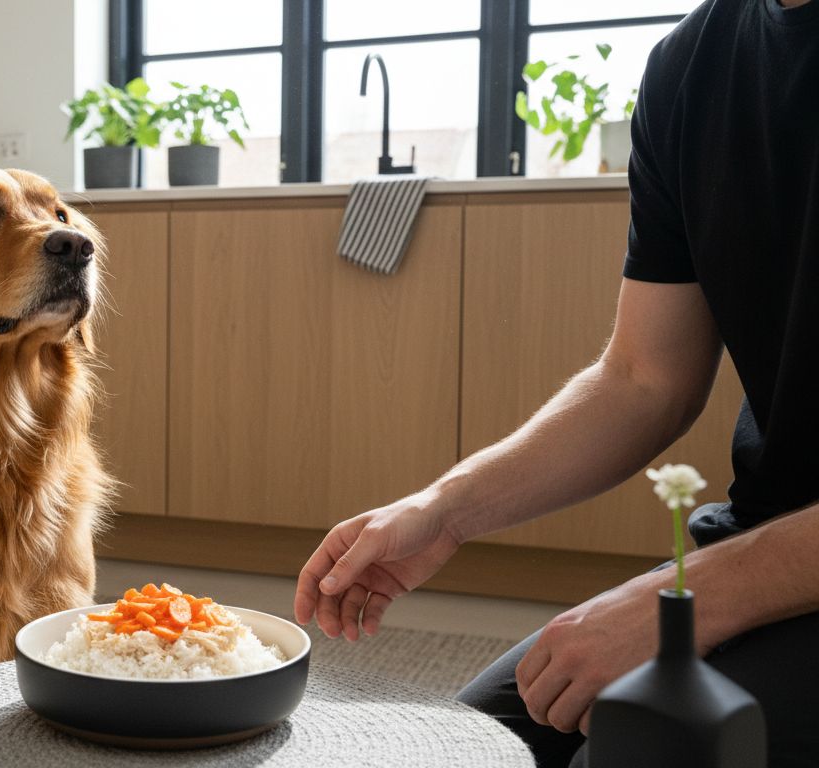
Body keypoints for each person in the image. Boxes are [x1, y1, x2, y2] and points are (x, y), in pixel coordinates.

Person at [293, 1, 819, 765]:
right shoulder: (691, 65)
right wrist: (444, 510)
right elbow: (644, 379)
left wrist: (694, 597)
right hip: (763, 539)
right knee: (470, 746)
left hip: (757, 568)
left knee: (634, 746)